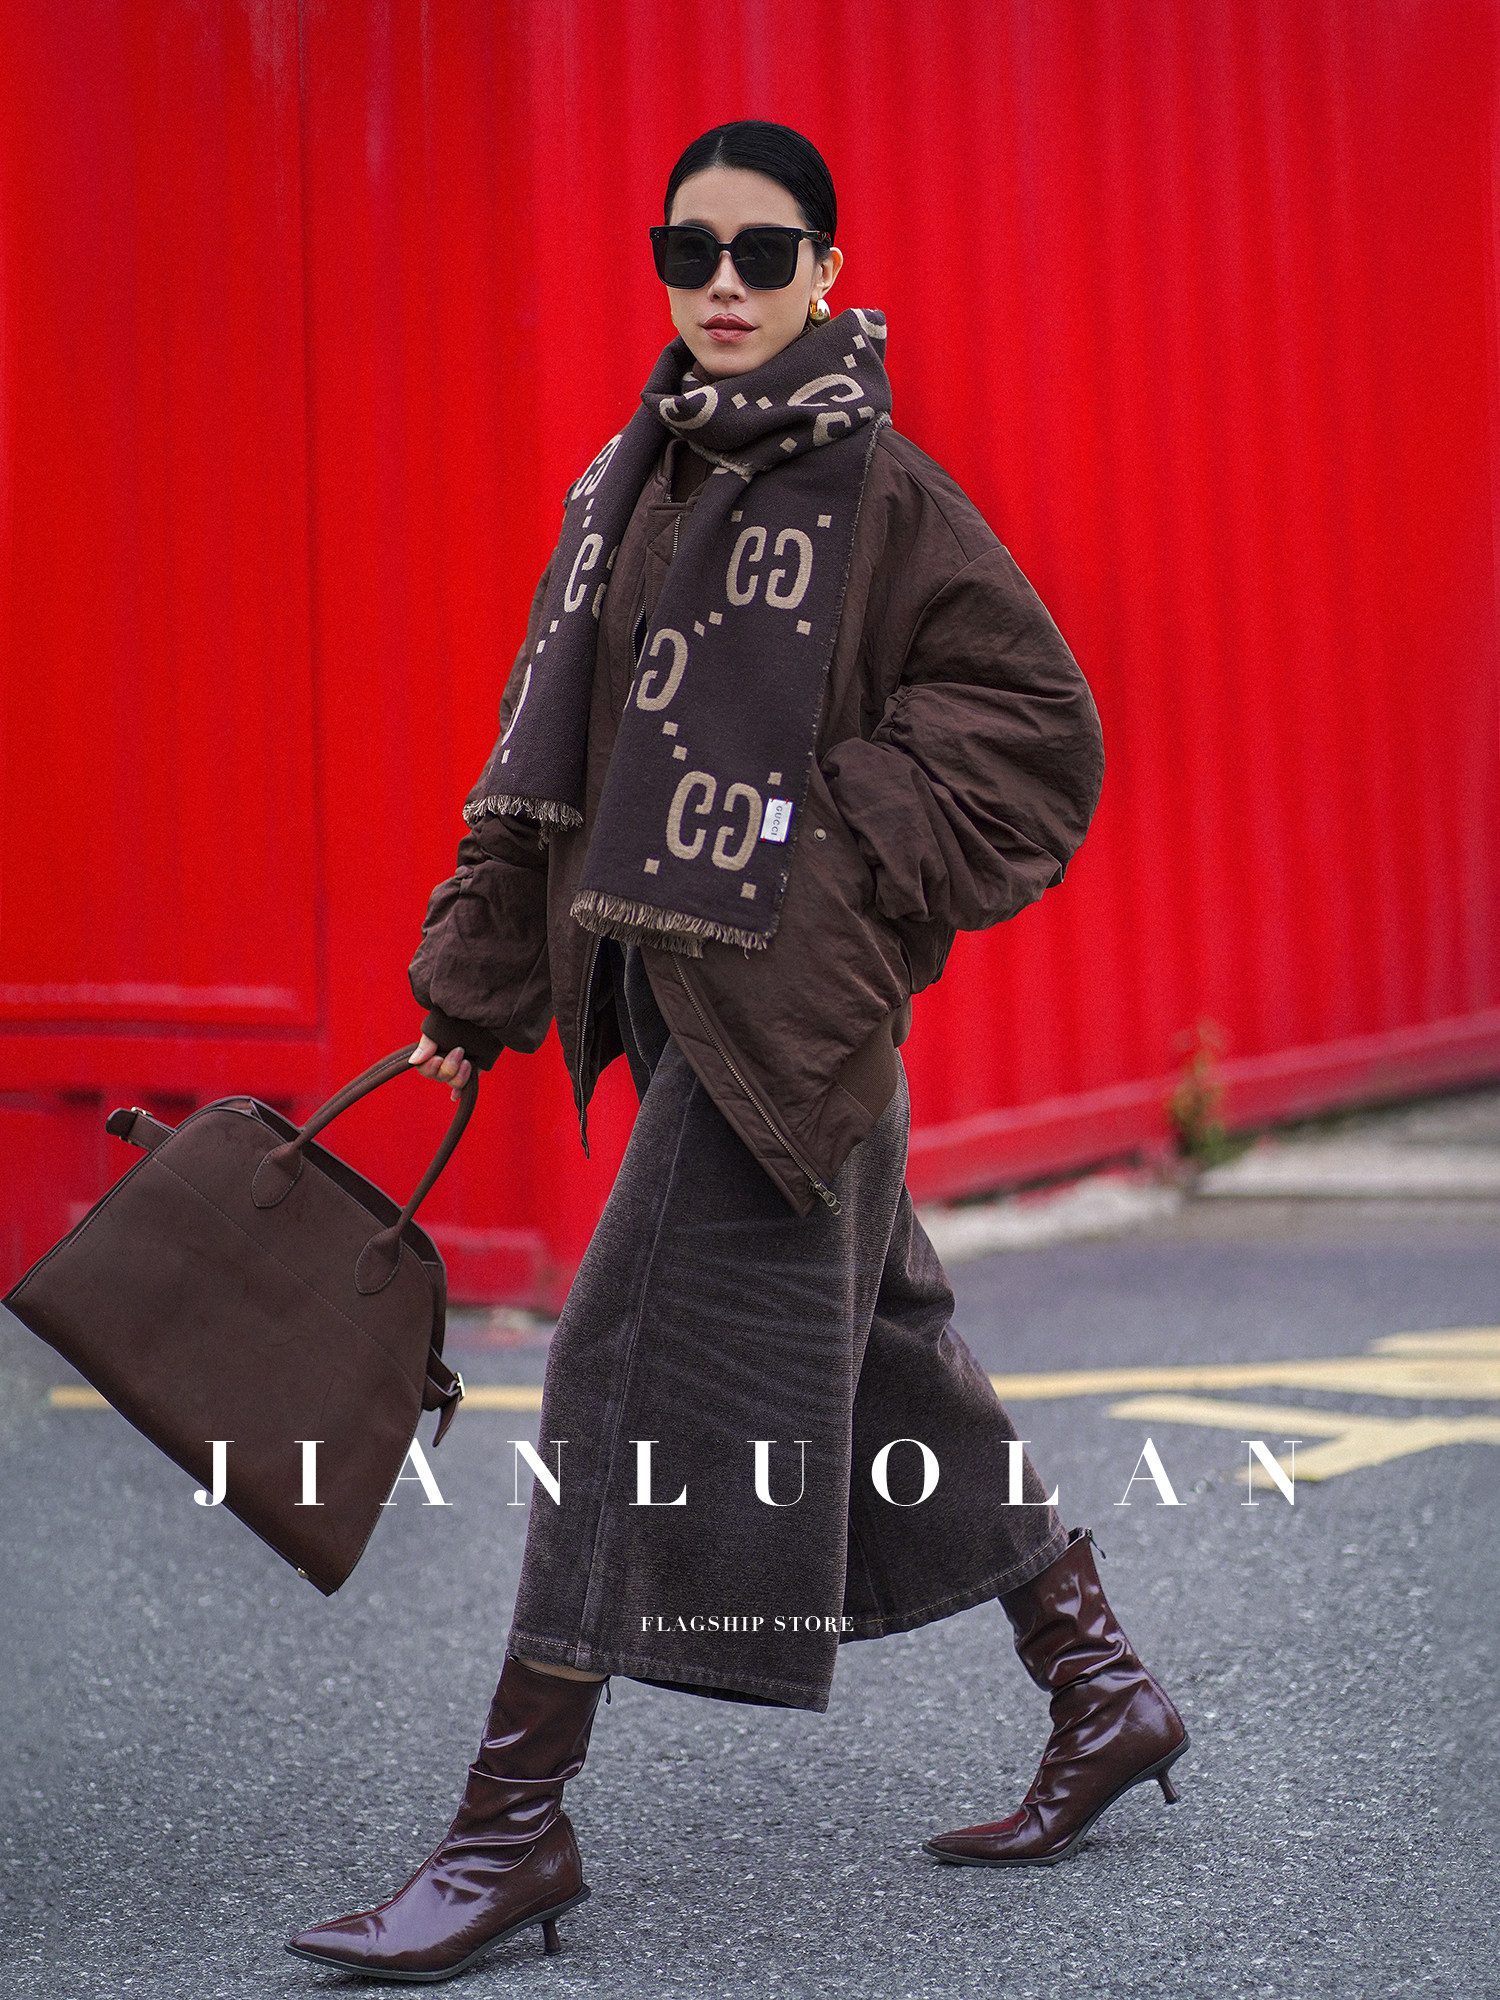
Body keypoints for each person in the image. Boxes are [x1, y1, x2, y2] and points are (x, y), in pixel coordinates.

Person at [287, 119, 1187, 1984]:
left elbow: (1037, 725)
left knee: (609, 1377)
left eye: (763, 252)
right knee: (895, 1363)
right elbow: (552, 747)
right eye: (688, 249)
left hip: (784, 1020)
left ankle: (510, 1828)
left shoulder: (886, 498)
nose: (721, 283)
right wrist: (475, 987)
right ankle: (1102, 1690)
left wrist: (827, 852)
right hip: (698, 1008)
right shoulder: (634, 479)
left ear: (827, 273)